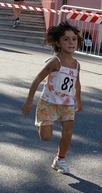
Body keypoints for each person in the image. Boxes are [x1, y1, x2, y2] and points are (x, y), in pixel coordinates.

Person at [21, 21, 83, 174]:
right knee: (46, 137)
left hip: (67, 104)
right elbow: (38, 78)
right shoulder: (56, 62)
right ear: (58, 42)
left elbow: (77, 83)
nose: (71, 42)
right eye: (66, 39)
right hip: (48, 103)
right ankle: (42, 123)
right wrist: (29, 101)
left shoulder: (76, 64)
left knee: (68, 133)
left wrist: (78, 101)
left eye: (74, 39)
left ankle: (60, 159)